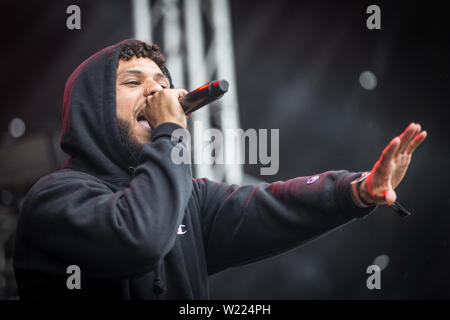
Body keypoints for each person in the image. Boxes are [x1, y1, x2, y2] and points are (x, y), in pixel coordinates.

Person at [13, 39, 427, 299]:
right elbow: (140, 237)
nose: (157, 89)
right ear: (94, 111)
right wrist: (171, 131)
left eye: (160, 80)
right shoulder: (54, 199)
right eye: (132, 82)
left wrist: (355, 190)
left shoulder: (186, 198)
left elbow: (273, 205)